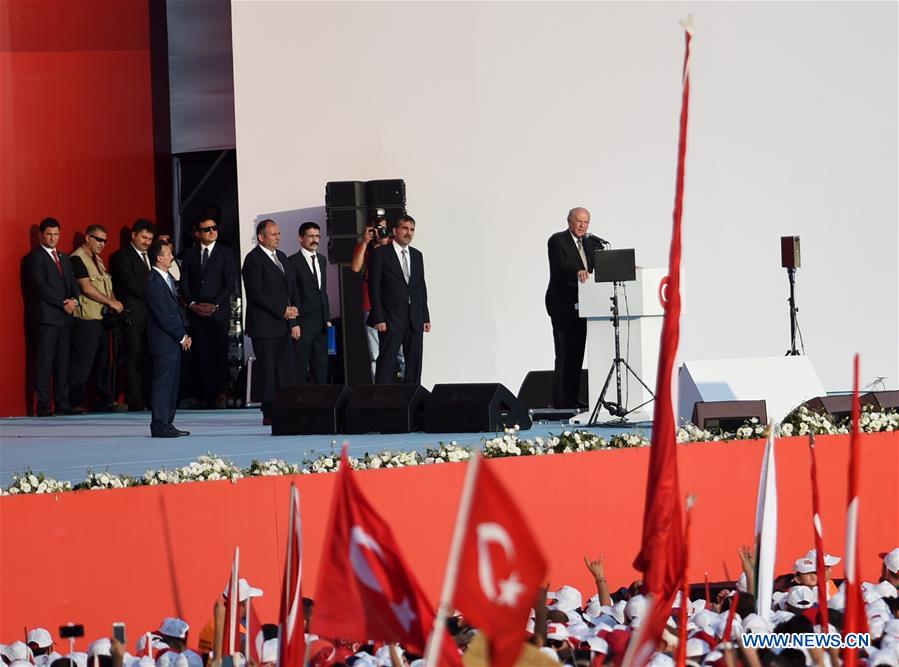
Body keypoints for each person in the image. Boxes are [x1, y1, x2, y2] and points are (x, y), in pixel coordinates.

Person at [544, 207, 603, 409]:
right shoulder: (557, 240)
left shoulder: (590, 243)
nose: (582, 226)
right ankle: (561, 400)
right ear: (570, 221)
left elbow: (597, 266)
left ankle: (573, 396)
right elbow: (559, 267)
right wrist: (577, 271)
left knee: (577, 352)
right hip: (563, 305)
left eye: (586, 222)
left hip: (585, 306)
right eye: (579, 221)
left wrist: (626, 267)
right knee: (564, 352)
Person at [241, 219, 299, 424]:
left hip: (283, 324)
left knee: (285, 369)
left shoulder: (281, 257)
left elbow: (290, 287)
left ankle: (286, 408)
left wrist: (292, 315)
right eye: (273, 234)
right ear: (261, 237)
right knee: (269, 371)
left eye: (279, 233)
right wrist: (281, 310)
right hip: (264, 326)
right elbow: (257, 293)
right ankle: (269, 412)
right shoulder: (253, 260)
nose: (278, 237)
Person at [23, 217, 80, 416]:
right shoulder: (34, 257)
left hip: (65, 317)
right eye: (48, 234)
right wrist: (63, 303)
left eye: (56, 234)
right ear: (40, 235)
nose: (52, 238)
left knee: (63, 362)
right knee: (44, 362)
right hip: (46, 318)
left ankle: (63, 403)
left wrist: (75, 300)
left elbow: (73, 282)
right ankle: (44, 405)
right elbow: (40, 286)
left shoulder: (64, 257)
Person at [69, 225, 128, 413]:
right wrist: (111, 303)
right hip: (86, 318)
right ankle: (75, 402)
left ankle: (105, 401)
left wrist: (114, 301)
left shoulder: (99, 260)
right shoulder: (77, 258)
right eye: (98, 239)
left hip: (102, 318)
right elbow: (86, 288)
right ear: (87, 238)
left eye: (105, 241)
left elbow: (106, 285)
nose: (102, 244)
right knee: (83, 363)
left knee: (104, 362)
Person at [180, 216, 238, 407]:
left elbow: (230, 282)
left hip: (218, 313)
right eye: (206, 229)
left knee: (219, 353)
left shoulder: (225, 252)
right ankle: (205, 396)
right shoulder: (189, 254)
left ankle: (222, 393)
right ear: (198, 233)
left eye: (214, 228)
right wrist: (193, 304)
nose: (212, 232)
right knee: (202, 354)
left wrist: (216, 305)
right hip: (197, 313)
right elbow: (185, 283)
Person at [367, 214, 430, 385]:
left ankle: (412, 400)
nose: (408, 233)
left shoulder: (417, 255)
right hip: (390, 317)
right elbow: (374, 287)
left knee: (414, 362)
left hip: (414, 318)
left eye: (412, 230)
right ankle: (381, 398)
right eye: (405, 228)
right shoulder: (381, 254)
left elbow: (420, 287)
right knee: (387, 361)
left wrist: (425, 316)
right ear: (395, 230)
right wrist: (378, 317)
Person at [145, 239, 191, 438]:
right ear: (159, 257)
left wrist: (183, 333)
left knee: (171, 384)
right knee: (163, 384)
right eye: (168, 253)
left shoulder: (167, 277)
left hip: (172, 341)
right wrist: (181, 336)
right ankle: (159, 423)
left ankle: (167, 422)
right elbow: (163, 314)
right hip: (164, 342)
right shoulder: (154, 281)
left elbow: (175, 310)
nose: (172, 257)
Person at [351, 212, 403, 382]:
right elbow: (355, 268)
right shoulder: (365, 247)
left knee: (401, 352)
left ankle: (406, 390)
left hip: (394, 306)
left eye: (384, 228)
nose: (381, 231)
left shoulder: (394, 247)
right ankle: (380, 394)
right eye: (378, 228)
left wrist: (385, 242)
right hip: (370, 305)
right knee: (376, 353)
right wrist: (365, 242)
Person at [109, 218, 156, 411]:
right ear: (133, 235)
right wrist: (155, 296)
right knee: (133, 357)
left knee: (147, 357)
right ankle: (135, 399)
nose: (147, 242)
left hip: (150, 316)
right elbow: (131, 284)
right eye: (144, 237)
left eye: (150, 239)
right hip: (132, 315)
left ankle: (147, 397)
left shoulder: (152, 257)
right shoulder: (120, 256)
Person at [288, 222, 331, 384]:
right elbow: (290, 294)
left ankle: (319, 402)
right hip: (303, 324)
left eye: (317, 236)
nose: (315, 240)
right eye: (311, 236)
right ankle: (298, 403)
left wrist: (327, 318)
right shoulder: (292, 261)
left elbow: (323, 292)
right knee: (299, 367)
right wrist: (294, 323)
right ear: (301, 238)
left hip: (321, 324)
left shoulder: (322, 260)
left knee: (320, 366)